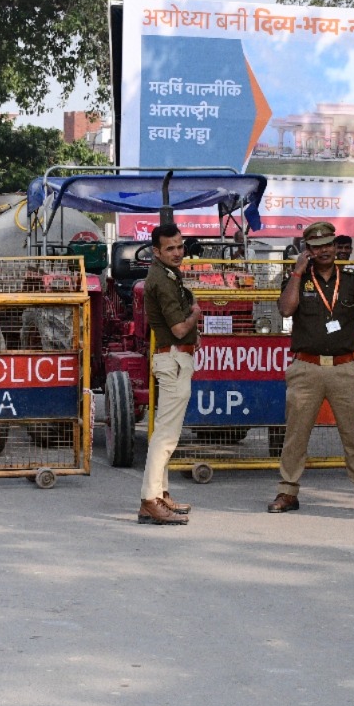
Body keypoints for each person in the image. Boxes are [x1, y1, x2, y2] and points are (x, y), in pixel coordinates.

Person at [268, 221, 354, 515]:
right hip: (306, 367)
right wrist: (298, 270)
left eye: (328, 244)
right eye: (316, 246)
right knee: (296, 435)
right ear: (307, 250)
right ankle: (287, 492)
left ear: (335, 246)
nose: (323, 251)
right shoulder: (297, 279)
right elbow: (286, 309)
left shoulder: (352, 280)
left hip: (343, 367)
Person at [138, 222, 203, 525]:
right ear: (156, 251)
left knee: (165, 434)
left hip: (174, 359)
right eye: (170, 248)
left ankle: (160, 494)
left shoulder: (165, 275)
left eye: (180, 246)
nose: (178, 253)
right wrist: (195, 316)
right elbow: (178, 329)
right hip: (174, 359)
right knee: (166, 436)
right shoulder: (162, 281)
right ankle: (151, 499)